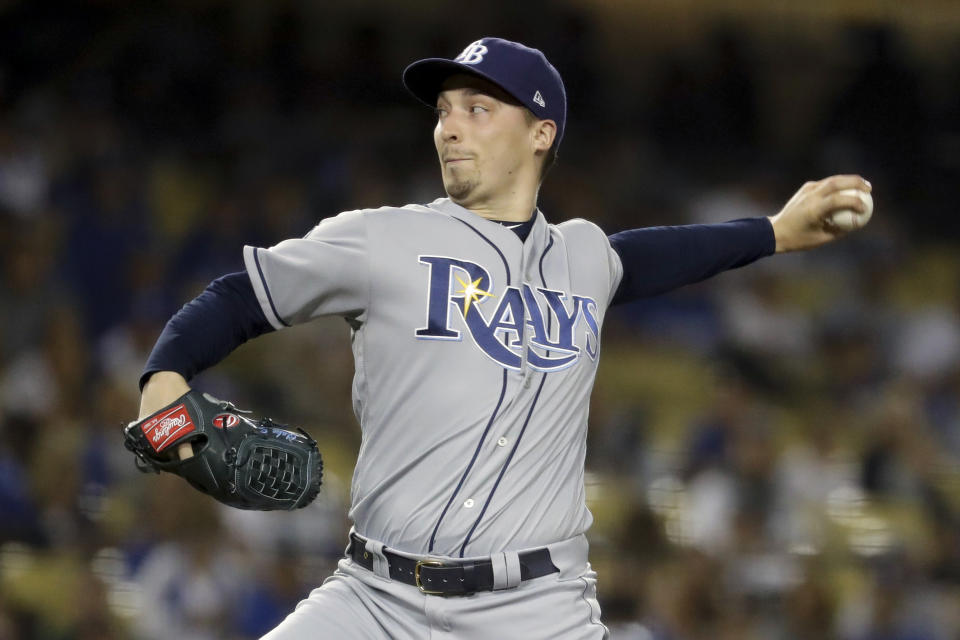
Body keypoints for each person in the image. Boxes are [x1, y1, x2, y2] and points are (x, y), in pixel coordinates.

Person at [135, 37, 872, 639]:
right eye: (445, 111)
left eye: (478, 109)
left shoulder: (586, 257)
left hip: (538, 610)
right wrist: (163, 380)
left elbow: (661, 253)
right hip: (374, 600)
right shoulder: (382, 239)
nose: (449, 126)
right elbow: (239, 297)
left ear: (541, 132)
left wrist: (772, 233)